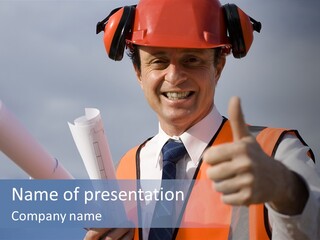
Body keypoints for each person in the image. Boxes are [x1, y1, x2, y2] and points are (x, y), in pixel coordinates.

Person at [84, 0, 320, 239]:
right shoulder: (124, 170)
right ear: (139, 73)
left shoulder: (276, 153)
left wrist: (287, 191)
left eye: (192, 60)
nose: (174, 76)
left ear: (218, 67)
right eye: (159, 61)